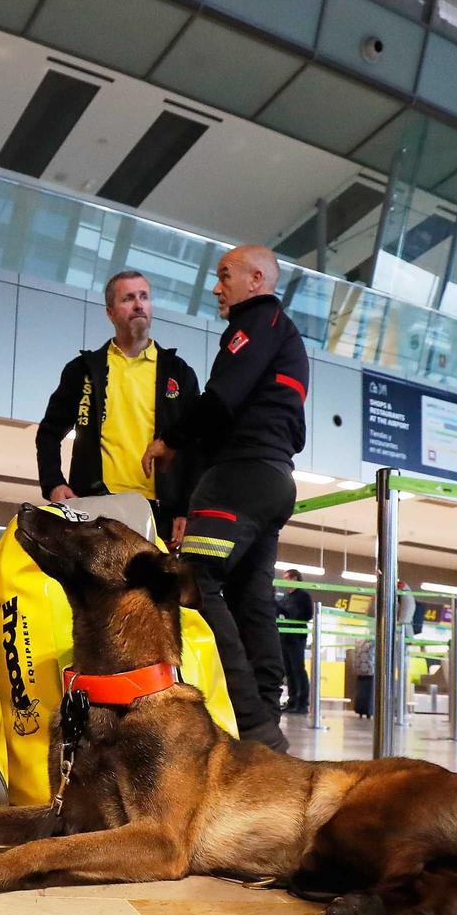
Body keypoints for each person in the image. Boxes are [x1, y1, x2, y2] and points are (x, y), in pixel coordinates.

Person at [143, 245, 307, 752]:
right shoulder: (284, 332)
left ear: (258, 279)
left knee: (193, 580)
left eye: (225, 276)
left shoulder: (257, 322)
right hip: (274, 478)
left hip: (239, 476)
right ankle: (264, 723)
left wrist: (168, 440)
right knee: (250, 597)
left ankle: (250, 721)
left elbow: (219, 399)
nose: (217, 287)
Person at [34, 269, 201, 542]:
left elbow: (195, 447)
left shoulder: (178, 373)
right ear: (110, 312)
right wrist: (53, 483)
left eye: (144, 297)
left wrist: (186, 508)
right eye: (128, 298)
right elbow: (49, 432)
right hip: (95, 506)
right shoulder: (83, 370)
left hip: (158, 512)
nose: (139, 304)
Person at [277, 570, 313, 715]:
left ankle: (302, 703)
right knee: (289, 671)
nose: (284, 581)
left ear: (295, 578)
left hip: (297, 637)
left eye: (286, 578)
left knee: (298, 669)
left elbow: (308, 614)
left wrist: (291, 613)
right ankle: (292, 701)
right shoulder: (286, 597)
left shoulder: (303, 596)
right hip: (285, 636)